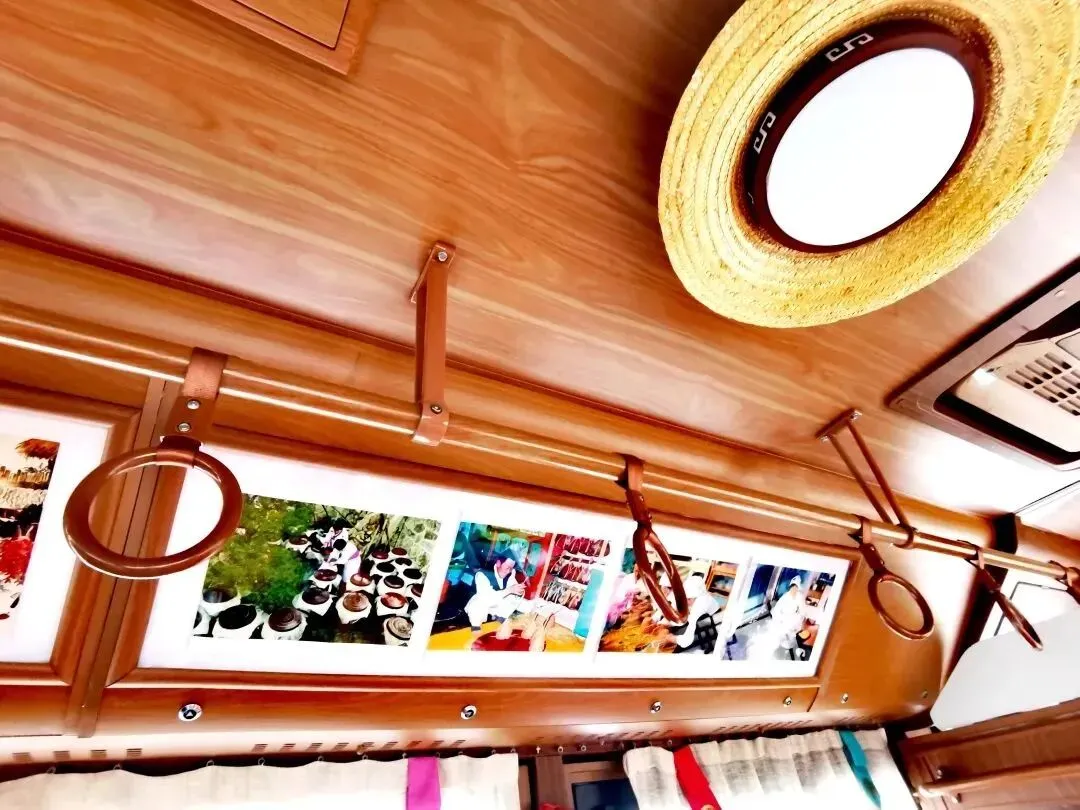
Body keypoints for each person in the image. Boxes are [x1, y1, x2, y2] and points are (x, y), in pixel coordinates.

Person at [464, 553, 526, 632]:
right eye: (507, 567)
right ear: (498, 563)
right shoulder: (482, 575)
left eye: (511, 568)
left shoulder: (509, 576)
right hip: (475, 617)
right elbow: (487, 599)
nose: (508, 571)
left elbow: (513, 593)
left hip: (495, 614)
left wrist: (519, 593)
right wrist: (509, 590)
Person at [770, 577, 807, 659]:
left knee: (792, 636)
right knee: (781, 634)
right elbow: (776, 610)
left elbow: (802, 610)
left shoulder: (799, 596)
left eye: (796, 587)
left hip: (793, 618)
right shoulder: (785, 597)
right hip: (783, 618)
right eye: (792, 587)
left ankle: (789, 650)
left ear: (798, 588)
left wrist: (799, 618)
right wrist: (779, 620)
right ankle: (780, 650)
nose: (794, 589)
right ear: (790, 587)